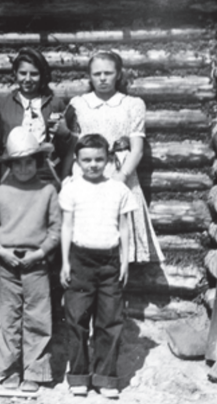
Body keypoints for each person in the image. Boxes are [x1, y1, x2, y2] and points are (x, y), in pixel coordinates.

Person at [65, 50, 163, 263]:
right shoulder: (78, 104)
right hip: (86, 175)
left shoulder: (132, 104)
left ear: (118, 74)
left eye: (108, 73)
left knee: (118, 238)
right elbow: (72, 146)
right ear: (89, 76)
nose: (102, 78)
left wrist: (121, 177)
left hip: (120, 173)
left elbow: (137, 148)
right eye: (97, 73)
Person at [59, 133, 136, 399]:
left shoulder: (118, 189)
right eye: (87, 160)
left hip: (110, 262)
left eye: (99, 159)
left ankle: (105, 377)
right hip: (80, 260)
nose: (93, 164)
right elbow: (66, 226)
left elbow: (125, 227)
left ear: (108, 160)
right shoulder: (71, 188)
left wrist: (125, 261)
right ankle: (79, 375)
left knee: (110, 320)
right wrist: (65, 262)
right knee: (77, 319)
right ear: (78, 161)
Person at [0, 126, 60, 392]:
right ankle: (9, 370)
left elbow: (56, 228)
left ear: (38, 162)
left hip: (37, 263)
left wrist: (41, 252)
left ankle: (35, 371)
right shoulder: (0, 192)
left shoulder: (47, 191)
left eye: (29, 162)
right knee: (8, 318)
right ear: (10, 165)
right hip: (6, 263)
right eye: (17, 164)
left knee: (37, 318)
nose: (23, 169)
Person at [0, 47, 75, 186]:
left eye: (34, 74)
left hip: (46, 171)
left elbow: (67, 146)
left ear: (42, 75)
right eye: (23, 73)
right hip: (13, 171)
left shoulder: (55, 104)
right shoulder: (2, 105)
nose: (28, 79)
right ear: (15, 74)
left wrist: (64, 134)